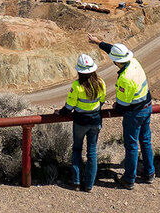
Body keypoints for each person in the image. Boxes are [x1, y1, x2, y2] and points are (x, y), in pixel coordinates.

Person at [88, 34, 154, 189]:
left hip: (135, 113)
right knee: (145, 141)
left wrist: (115, 108)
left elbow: (123, 105)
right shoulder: (133, 61)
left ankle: (129, 179)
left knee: (131, 146)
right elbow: (114, 49)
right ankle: (149, 173)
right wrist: (99, 43)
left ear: (117, 61)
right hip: (147, 106)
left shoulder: (125, 78)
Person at [57, 53, 107, 191]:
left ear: (79, 71)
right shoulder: (101, 83)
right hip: (95, 121)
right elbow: (101, 101)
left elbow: (69, 106)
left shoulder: (77, 86)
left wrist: (60, 112)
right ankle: (89, 185)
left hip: (80, 122)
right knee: (92, 152)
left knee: (77, 150)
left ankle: (76, 181)